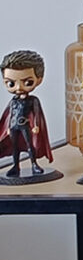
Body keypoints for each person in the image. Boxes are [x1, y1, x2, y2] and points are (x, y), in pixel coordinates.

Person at [2, 49, 54, 179]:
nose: (18, 87)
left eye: (27, 82)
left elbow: (36, 113)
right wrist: (7, 127)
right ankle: (15, 165)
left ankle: (34, 164)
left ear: (39, 79)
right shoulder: (13, 101)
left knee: (30, 146)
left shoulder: (33, 100)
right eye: (11, 83)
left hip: (25, 125)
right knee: (15, 148)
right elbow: (10, 114)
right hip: (14, 126)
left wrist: (36, 125)